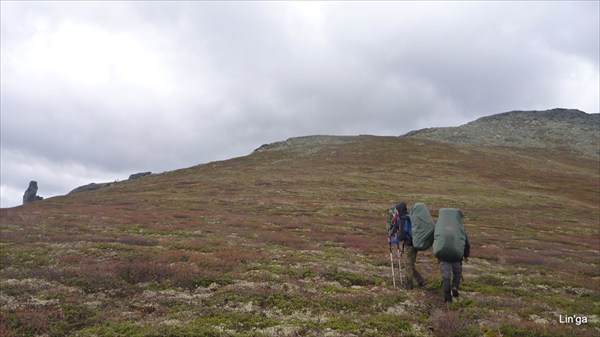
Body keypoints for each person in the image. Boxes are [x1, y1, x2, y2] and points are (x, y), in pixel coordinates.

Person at [396, 202, 427, 290]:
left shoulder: (403, 219)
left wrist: (394, 239)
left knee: (408, 265)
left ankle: (409, 285)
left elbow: (402, 235)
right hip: (416, 242)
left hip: (409, 244)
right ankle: (421, 281)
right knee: (410, 264)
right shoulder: (411, 216)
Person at [440, 234, 470, 302]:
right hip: (457, 256)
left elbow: (437, 241)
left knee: (446, 276)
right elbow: (466, 243)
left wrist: (438, 255)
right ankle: (455, 287)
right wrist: (466, 255)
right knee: (457, 273)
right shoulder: (459, 228)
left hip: (444, 256)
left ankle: (447, 296)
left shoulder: (442, 227)